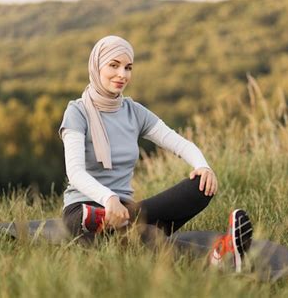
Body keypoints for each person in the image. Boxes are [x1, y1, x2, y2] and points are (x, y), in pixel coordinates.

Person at [59, 35, 253, 271]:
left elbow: (179, 143)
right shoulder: (77, 112)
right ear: (96, 66)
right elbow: (75, 172)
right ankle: (220, 256)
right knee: (146, 236)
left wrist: (203, 166)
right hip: (82, 211)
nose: (123, 75)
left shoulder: (134, 111)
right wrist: (108, 199)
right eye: (114, 65)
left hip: (128, 210)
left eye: (128, 68)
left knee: (201, 187)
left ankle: (114, 222)